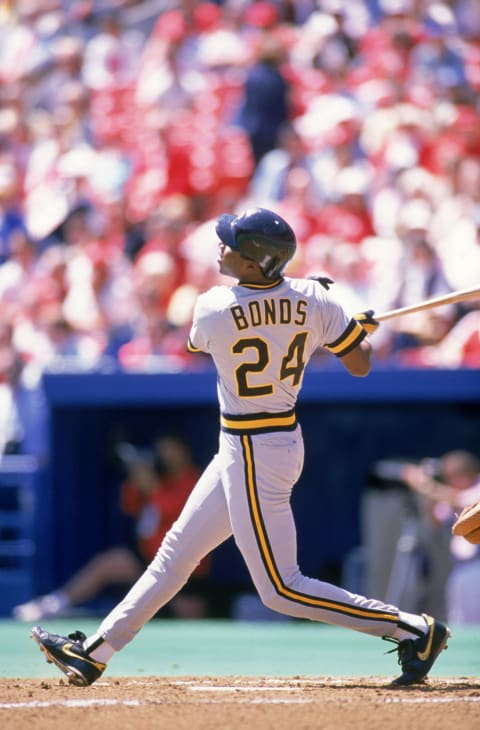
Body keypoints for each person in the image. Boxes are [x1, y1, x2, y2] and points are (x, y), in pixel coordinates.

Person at [31, 207, 449, 688]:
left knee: (281, 590)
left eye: (231, 244)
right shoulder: (315, 297)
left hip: (255, 449)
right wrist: (343, 328)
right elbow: (360, 364)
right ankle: (95, 652)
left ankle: (413, 629)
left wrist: (313, 314)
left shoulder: (213, 306)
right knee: (174, 555)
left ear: (256, 262)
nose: (221, 247)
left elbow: (203, 342)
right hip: (264, 441)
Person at [16, 434, 208, 621]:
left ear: (183, 451)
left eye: (169, 449)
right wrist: (137, 478)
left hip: (185, 563)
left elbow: (173, 508)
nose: (165, 454)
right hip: (149, 558)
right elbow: (129, 506)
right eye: (161, 449)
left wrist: (151, 486)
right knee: (107, 564)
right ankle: (54, 605)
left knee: (190, 617)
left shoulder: (195, 479)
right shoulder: (160, 478)